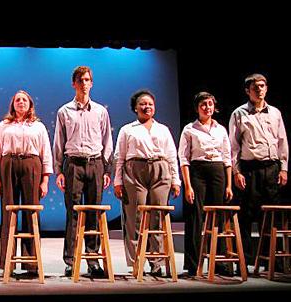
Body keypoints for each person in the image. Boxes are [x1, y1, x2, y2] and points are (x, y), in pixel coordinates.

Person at [53, 66, 113, 277]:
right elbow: (58, 143)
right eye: (80, 80)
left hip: (95, 163)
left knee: (93, 212)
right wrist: (58, 170)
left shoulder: (100, 111)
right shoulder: (64, 111)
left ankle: (92, 258)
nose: (84, 84)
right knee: (73, 213)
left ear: (92, 83)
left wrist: (106, 170)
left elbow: (107, 141)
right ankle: (70, 260)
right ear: (74, 84)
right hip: (73, 165)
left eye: (87, 80)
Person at [113, 89, 181, 276]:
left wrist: (176, 180)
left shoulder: (163, 129)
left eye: (150, 104)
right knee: (135, 217)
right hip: (135, 171)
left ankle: (156, 261)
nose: (147, 107)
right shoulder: (128, 129)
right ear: (135, 108)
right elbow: (120, 157)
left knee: (157, 216)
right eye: (143, 104)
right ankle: (137, 262)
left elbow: (171, 156)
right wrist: (117, 181)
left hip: (160, 171)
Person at [229, 73, 288, 269]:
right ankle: (245, 260)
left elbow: (282, 142)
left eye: (262, 86)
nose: (259, 89)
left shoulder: (275, 113)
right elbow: (234, 146)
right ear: (248, 91)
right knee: (246, 215)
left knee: (271, 215)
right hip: (249, 168)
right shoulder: (239, 114)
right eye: (255, 87)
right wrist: (237, 172)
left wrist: (284, 168)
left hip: (271, 168)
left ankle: (272, 261)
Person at [0, 90, 52, 275]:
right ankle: (7, 263)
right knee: (8, 213)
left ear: (30, 104)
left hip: (31, 165)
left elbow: (46, 153)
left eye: (24, 100)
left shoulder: (38, 126)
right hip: (8, 164)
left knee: (30, 212)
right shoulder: (4, 125)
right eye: (17, 99)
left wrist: (45, 180)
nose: (21, 102)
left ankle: (31, 262)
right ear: (13, 104)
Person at [178, 92, 233, 276]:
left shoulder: (221, 129)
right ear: (197, 108)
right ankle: (193, 264)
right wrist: (188, 186)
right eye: (203, 104)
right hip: (197, 171)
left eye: (210, 104)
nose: (207, 107)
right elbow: (184, 159)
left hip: (218, 171)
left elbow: (227, 158)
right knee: (196, 216)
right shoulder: (189, 129)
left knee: (217, 215)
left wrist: (229, 185)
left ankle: (220, 263)